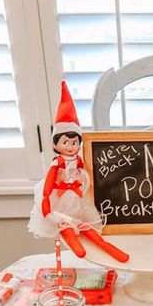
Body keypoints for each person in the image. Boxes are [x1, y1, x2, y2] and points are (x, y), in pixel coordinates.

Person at [28, 82, 129, 263]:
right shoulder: (57, 163)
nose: (71, 147)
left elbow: (84, 172)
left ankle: (105, 246)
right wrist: (47, 208)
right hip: (60, 198)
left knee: (87, 226)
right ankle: (75, 243)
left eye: (74, 142)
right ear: (54, 144)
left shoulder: (79, 159)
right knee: (67, 226)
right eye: (66, 142)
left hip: (77, 196)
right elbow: (48, 187)